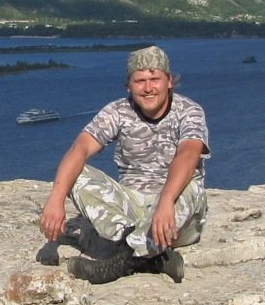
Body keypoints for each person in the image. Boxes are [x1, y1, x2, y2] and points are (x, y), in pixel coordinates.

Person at [37, 45, 208, 283]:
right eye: (139, 81)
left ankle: (117, 264)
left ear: (169, 81)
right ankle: (151, 257)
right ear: (128, 85)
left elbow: (188, 154)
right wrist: (56, 198)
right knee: (77, 175)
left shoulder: (189, 112)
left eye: (154, 79)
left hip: (174, 210)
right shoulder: (118, 111)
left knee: (191, 187)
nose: (148, 88)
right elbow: (80, 148)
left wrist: (166, 200)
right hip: (132, 208)